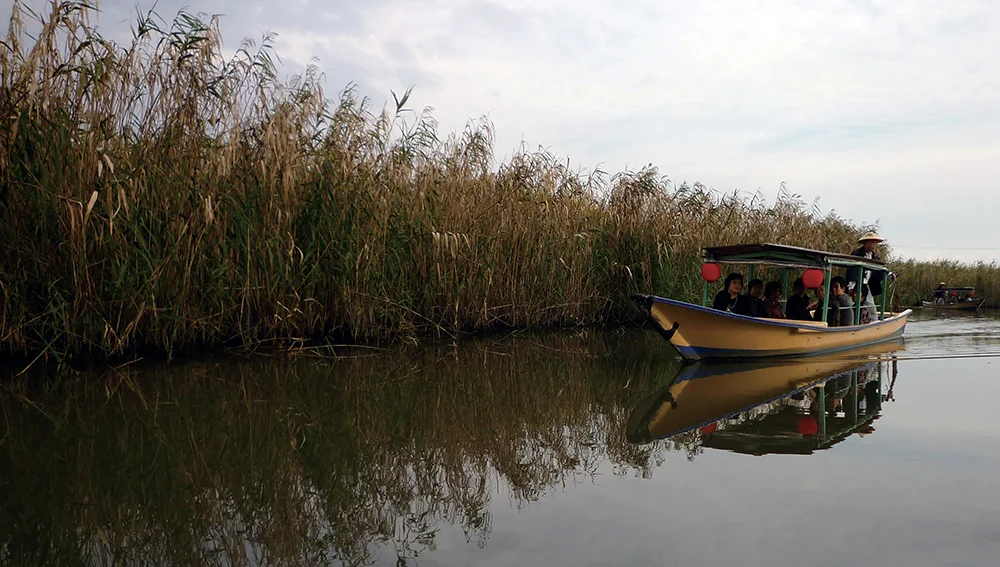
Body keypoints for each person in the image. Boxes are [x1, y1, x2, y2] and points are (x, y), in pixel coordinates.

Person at [849, 232, 885, 320]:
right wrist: (851, 286)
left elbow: (879, 269)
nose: (871, 245)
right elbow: (852, 269)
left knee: (871, 307)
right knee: (849, 305)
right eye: (869, 242)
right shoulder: (856, 254)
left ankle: (875, 324)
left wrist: (889, 275)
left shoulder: (874, 256)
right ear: (864, 243)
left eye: (873, 242)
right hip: (856, 284)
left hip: (866, 285)